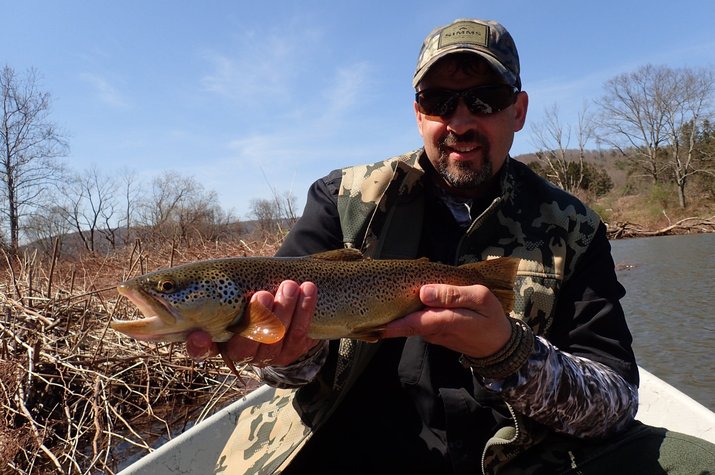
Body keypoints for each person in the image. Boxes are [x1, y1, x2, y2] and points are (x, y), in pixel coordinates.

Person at [187, 18, 715, 474]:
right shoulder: (342, 199)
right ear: (418, 112)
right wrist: (289, 355)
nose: (460, 122)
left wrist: (510, 354)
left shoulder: (575, 229)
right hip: (346, 444)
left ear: (519, 110)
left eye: (485, 99)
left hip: (514, 458)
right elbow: (285, 367)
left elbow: (616, 404)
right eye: (439, 101)